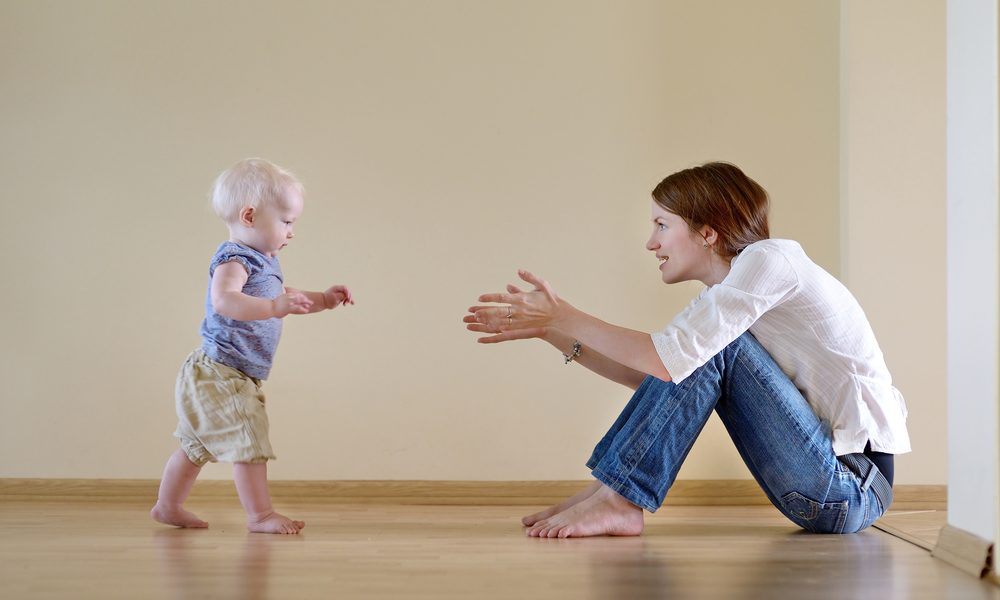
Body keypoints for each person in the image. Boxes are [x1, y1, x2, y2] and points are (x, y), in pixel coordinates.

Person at [465, 162, 909, 538]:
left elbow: (667, 361)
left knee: (695, 353)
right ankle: (609, 491)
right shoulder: (728, 296)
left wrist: (564, 315)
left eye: (662, 224)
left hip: (849, 486)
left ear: (708, 232)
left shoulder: (770, 261)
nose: (651, 242)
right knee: (686, 359)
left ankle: (619, 498)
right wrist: (550, 330)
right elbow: (661, 379)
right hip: (821, 487)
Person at [151, 158, 354, 534]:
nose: (292, 232)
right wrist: (275, 307)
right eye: (287, 221)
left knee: (196, 446)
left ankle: (167, 506)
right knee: (250, 439)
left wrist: (323, 299)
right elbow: (225, 300)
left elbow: (286, 297)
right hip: (221, 373)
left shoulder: (265, 261)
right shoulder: (234, 259)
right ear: (249, 216)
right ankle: (260, 515)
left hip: (222, 372)